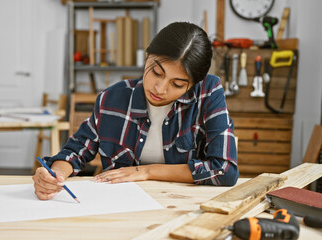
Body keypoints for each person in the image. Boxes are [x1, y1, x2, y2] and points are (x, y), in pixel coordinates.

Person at [32, 22, 238, 200]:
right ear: (147, 55)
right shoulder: (112, 98)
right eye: (156, 72)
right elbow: (75, 151)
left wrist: (147, 172)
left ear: (193, 84)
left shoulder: (207, 92)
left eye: (177, 84)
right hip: (119, 203)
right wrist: (55, 175)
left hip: (183, 204)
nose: (160, 88)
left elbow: (225, 170)